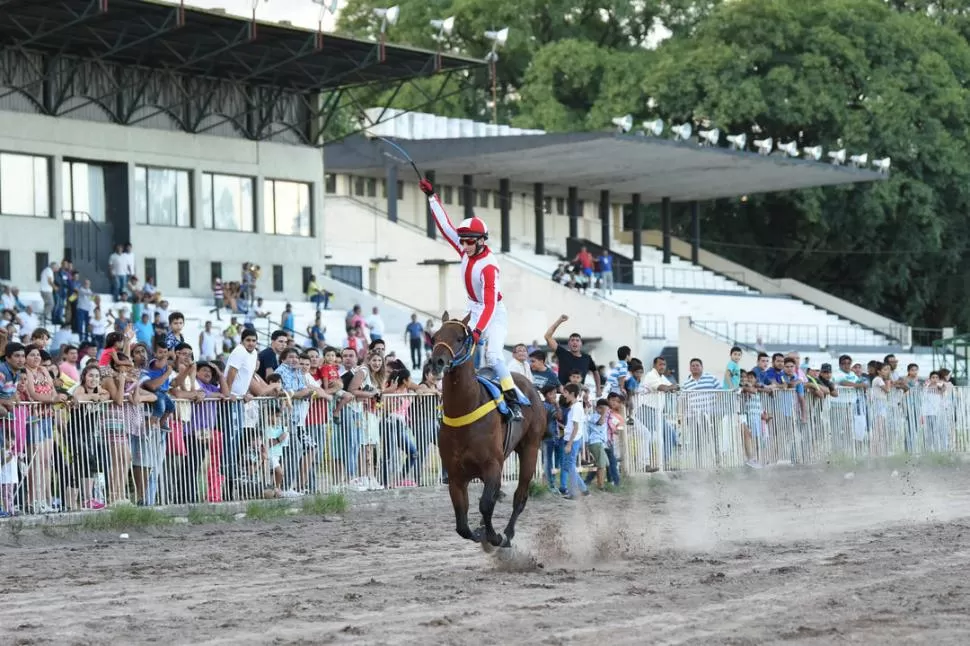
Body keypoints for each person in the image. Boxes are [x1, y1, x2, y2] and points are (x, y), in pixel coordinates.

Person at [420, 176, 522, 420]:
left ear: (481, 241)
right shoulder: (467, 247)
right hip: (474, 309)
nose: (463, 245)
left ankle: (513, 400)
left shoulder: (489, 266)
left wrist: (477, 331)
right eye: (462, 240)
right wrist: (432, 197)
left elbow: (489, 304)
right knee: (457, 349)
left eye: (468, 241)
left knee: (493, 356)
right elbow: (445, 228)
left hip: (493, 313)